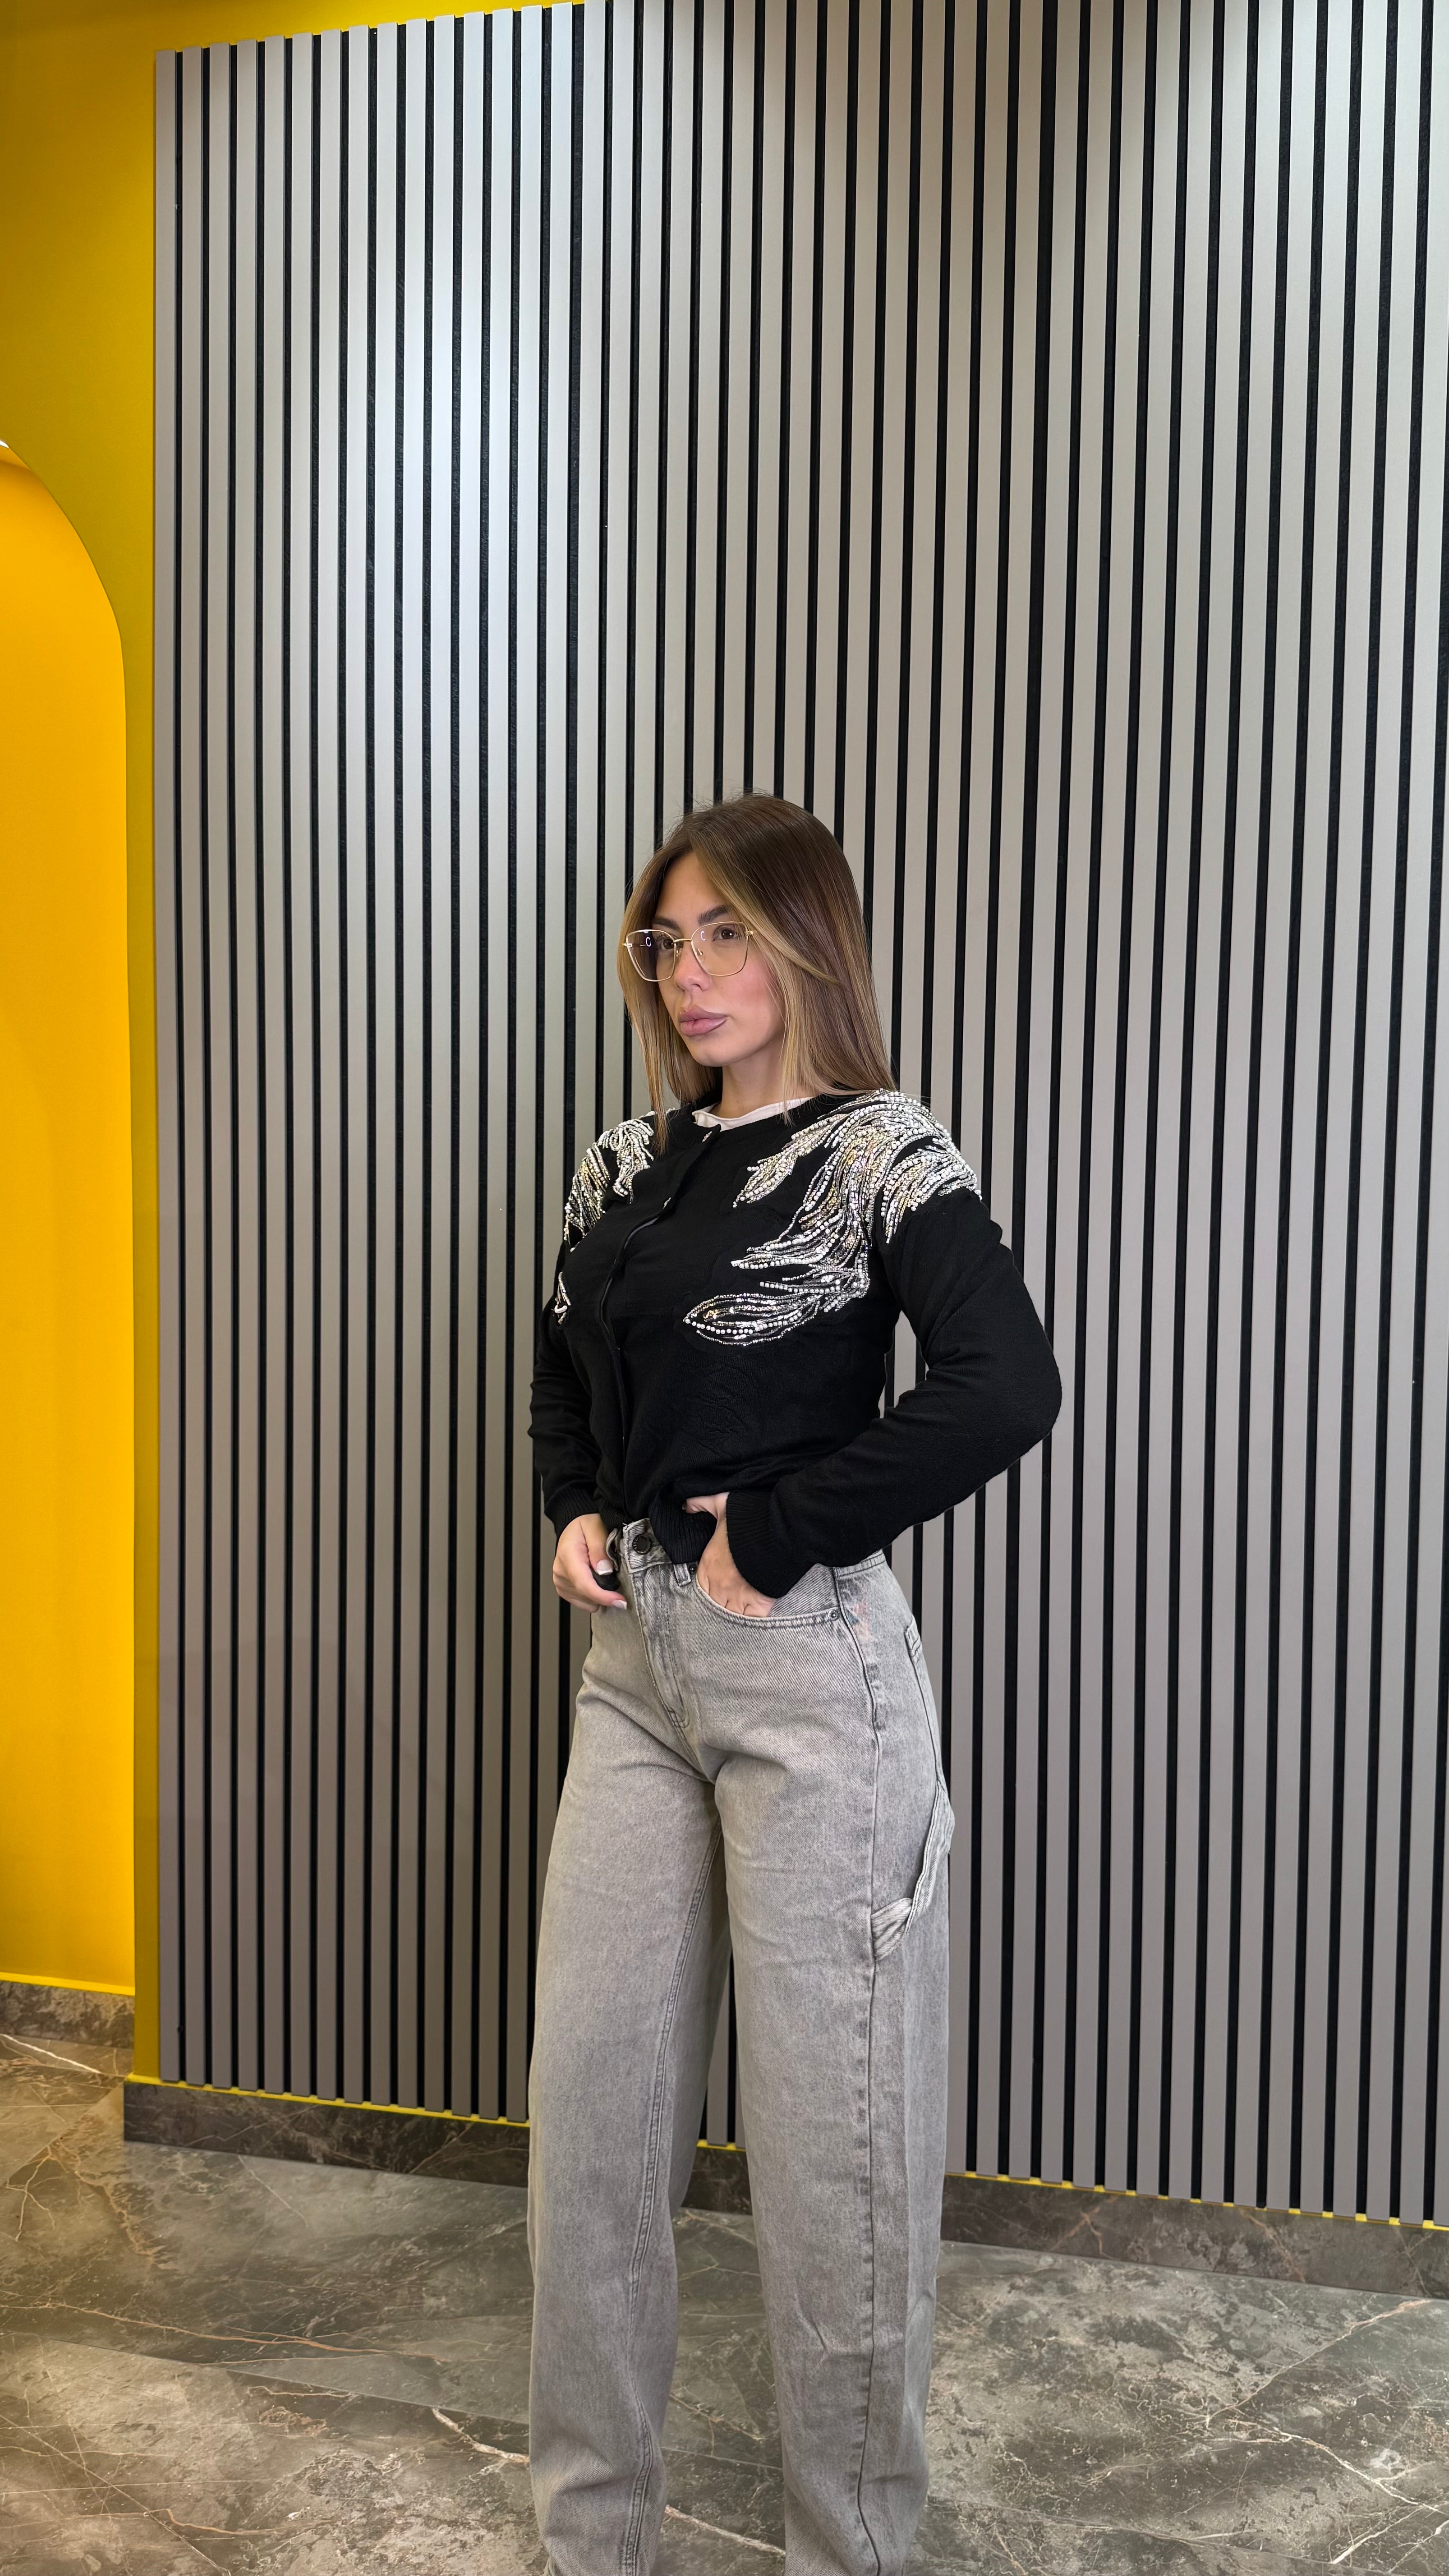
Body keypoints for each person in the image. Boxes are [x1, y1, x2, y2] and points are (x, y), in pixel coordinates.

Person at [526, 793, 1061, 2576]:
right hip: (633, 1682)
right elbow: (566, 1367)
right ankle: (590, 2541)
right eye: (668, 940)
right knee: (596, 2130)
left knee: (839, 2167)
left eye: (729, 934)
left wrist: (777, 1530)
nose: (690, 972)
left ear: (809, 941)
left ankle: (853, 2552)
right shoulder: (624, 1166)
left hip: (813, 1684)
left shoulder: (878, 1151)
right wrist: (574, 1504)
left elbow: (1003, 1380)